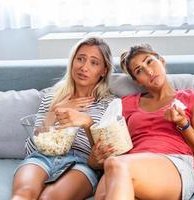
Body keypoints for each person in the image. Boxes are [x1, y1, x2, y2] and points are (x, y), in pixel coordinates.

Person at [94, 44, 194, 200]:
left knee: (115, 166)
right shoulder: (126, 104)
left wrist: (183, 124)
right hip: (128, 166)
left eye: (149, 61)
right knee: (106, 190)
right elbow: (109, 142)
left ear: (161, 60)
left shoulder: (191, 99)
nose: (148, 71)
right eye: (139, 71)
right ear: (137, 81)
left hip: (173, 164)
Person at [11, 36, 116, 200]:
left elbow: (105, 153)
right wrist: (56, 111)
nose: (84, 67)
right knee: (22, 194)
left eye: (94, 63)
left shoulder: (109, 104)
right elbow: (31, 148)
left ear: (104, 71)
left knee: (50, 198)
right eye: (80, 59)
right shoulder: (52, 96)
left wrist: (87, 122)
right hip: (42, 158)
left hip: (80, 163)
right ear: (72, 61)